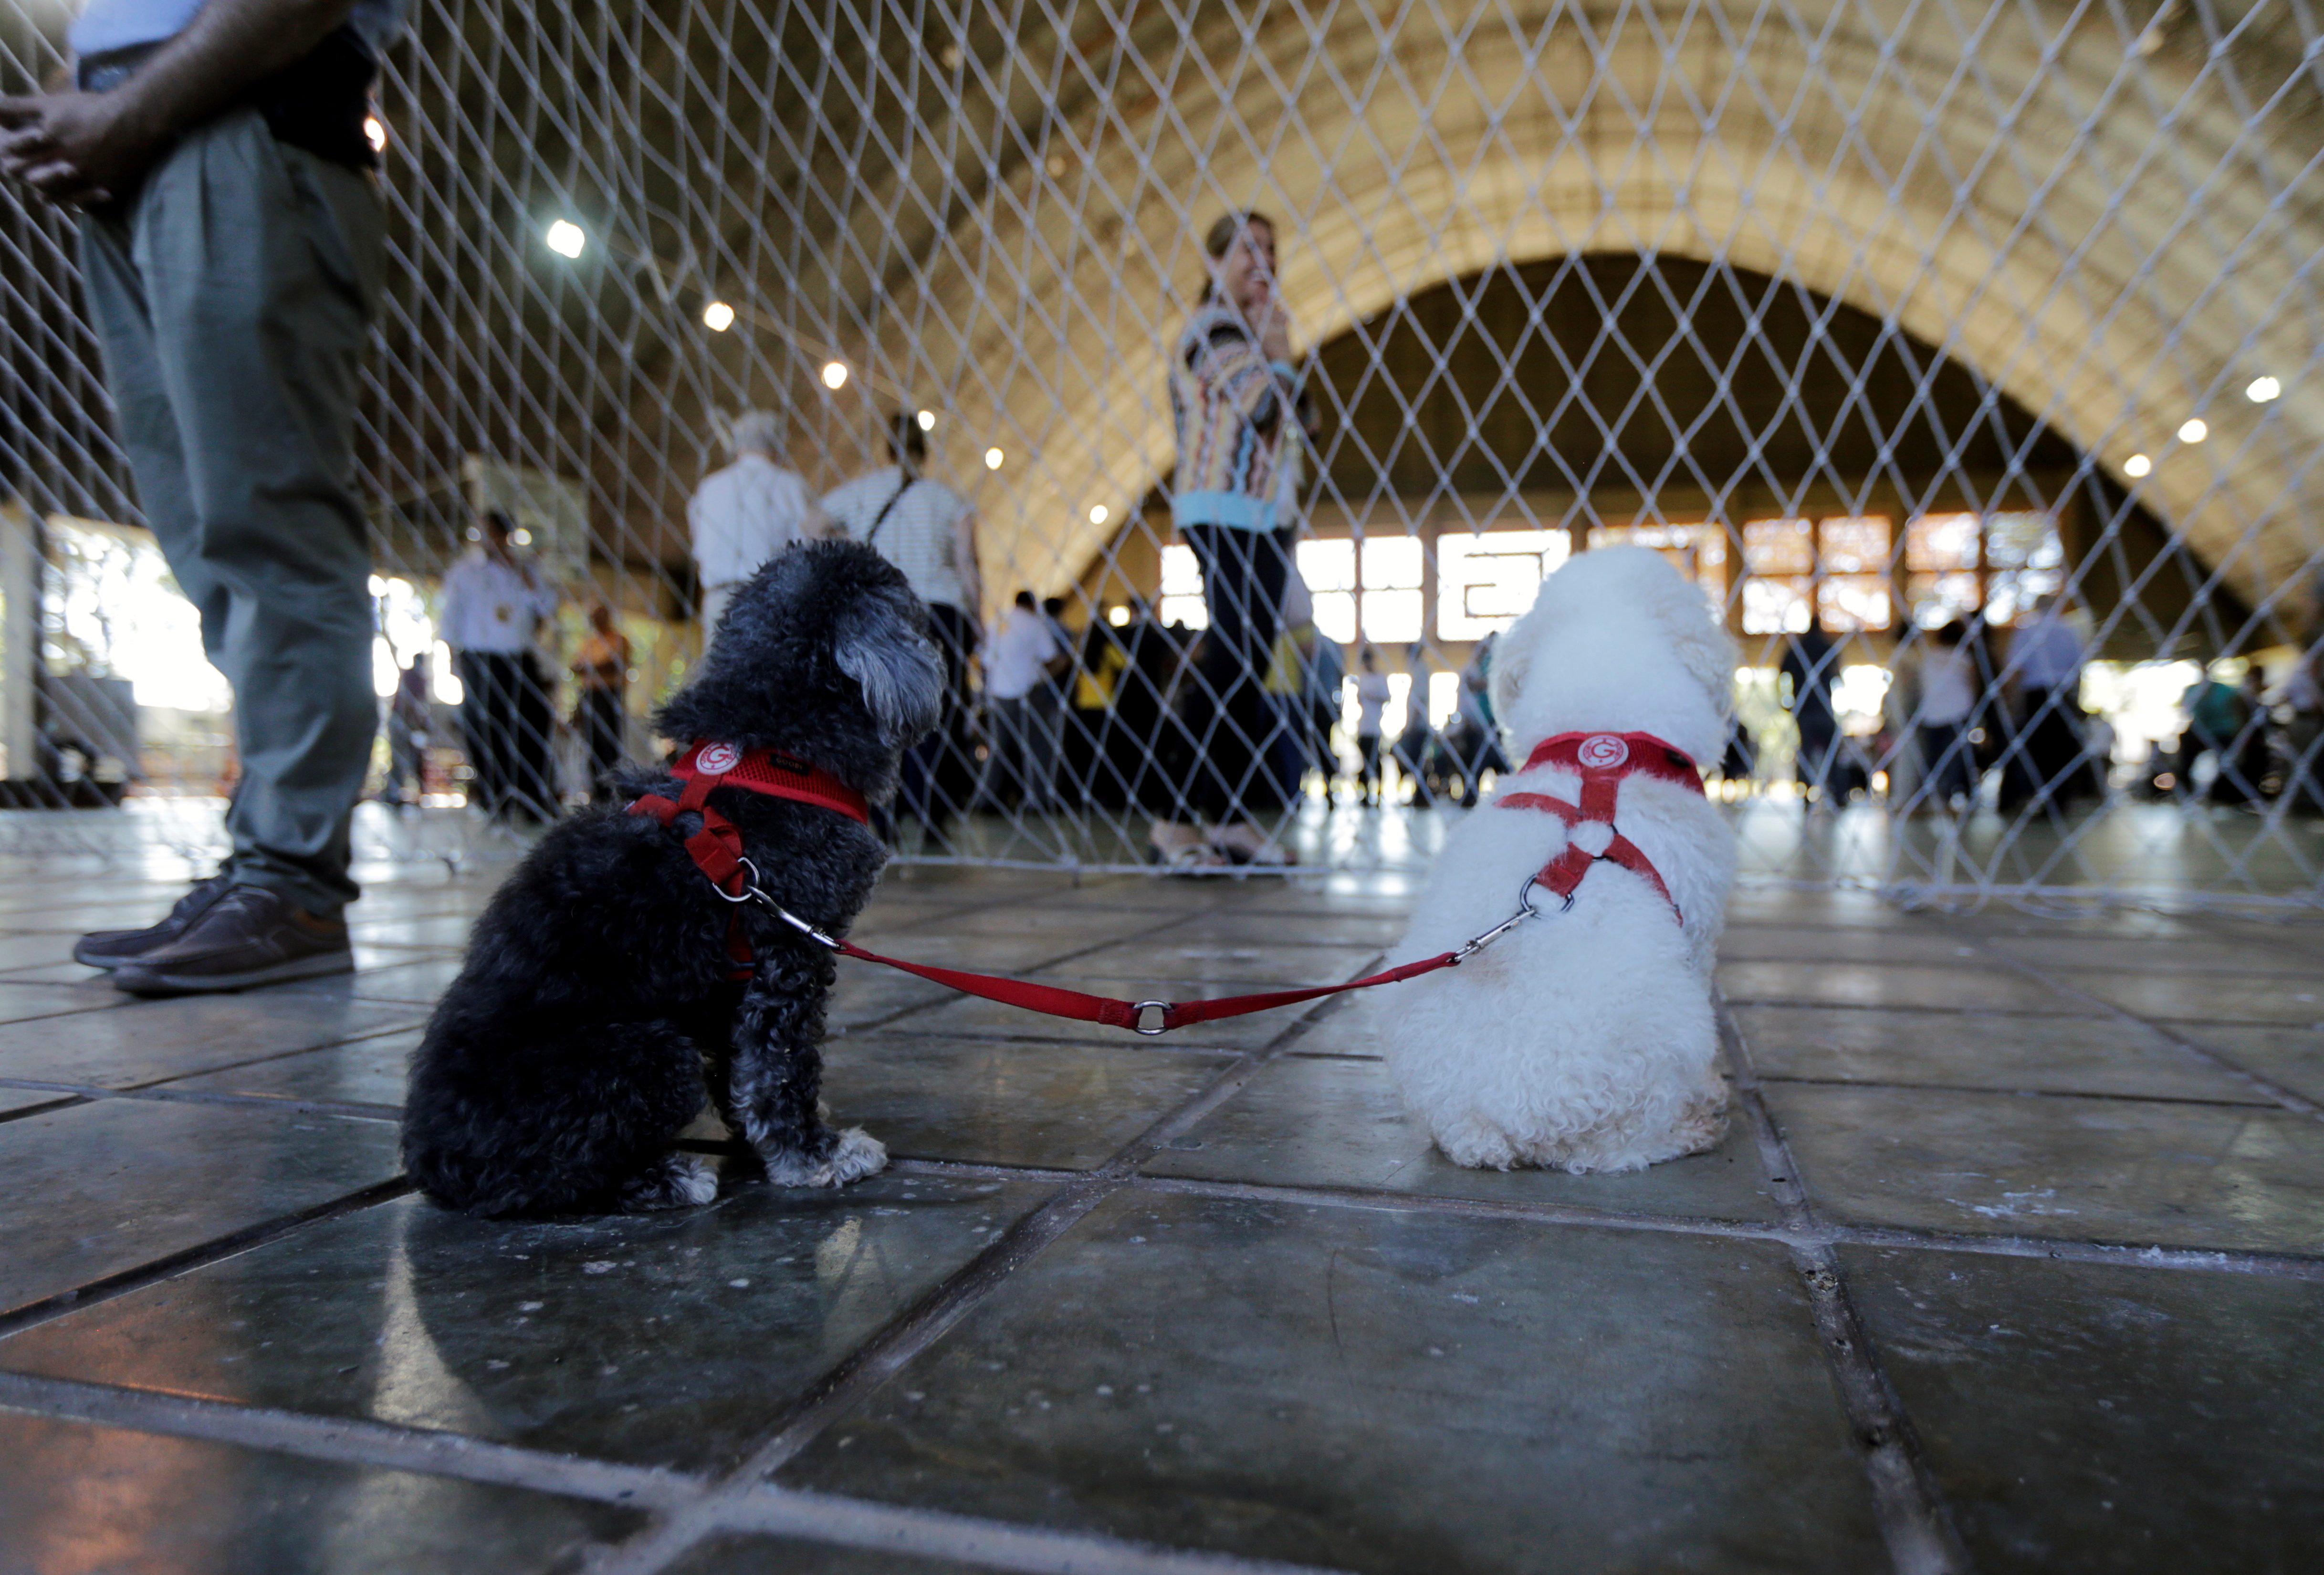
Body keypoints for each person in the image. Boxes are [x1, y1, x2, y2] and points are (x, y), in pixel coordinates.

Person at [4, 0, 405, 993]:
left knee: (270, 523)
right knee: (206, 532)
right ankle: (263, 865)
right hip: (140, 148)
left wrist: (126, 106)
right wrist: (81, 101)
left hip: (242, 124)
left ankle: (293, 882)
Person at [1152, 210, 1319, 867]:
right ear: (1216, 261)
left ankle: (1225, 818)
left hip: (1264, 516)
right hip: (1222, 510)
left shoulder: (1249, 336)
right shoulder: (1212, 329)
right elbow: (1271, 410)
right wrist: (1280, 355)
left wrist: (1278, 355)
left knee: (1248, 662)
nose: (1263, 260)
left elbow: (1307, 419)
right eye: (1248, 248)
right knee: (1229, 659)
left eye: (1270, 248)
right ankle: (1172, 819)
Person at [825, 411, 983, 828]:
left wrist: (849, 556)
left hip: (885, 609)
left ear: (888, 448)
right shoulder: (946, 497)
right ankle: (932, 814)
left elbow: (812, 522)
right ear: (924, 451)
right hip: (940, 613)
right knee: (938, 715)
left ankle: (883, 813)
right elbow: (967, 562)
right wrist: (978, 618)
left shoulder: (861, 492)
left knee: (881, 709)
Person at [441, 509, 560, 824]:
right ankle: (495, 799)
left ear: (505, 535)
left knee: (533, 724)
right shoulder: (464, 572)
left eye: (493, 533)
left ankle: (534, 799)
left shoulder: (525, 569)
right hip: (480, 658)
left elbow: (547, 607)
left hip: (520, 658)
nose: (487, 539)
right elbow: (450, 620)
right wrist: (453, 662)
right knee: (486, 728)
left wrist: (525, 575)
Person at [688, 408, 827, 633]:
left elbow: (699, 549)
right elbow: (812, 542)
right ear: (777, 443)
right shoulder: (789, 485)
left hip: (719, 601)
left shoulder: (709, 488)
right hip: (770, 600)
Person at [2001, 592, 2094, 812]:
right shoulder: (2068, 631)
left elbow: (2016, 667)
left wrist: (2011, 700)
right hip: (2062, 694)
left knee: (2039, 747)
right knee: (2061, 747)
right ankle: (2060, 799)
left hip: (2037, 694)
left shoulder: (2028, 630)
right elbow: (2079, 668)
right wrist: (2077, 698)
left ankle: (2043, 797)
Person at [979, 590, 1062, 809]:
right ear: (1033, 605)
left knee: (997, 749)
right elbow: (1051, 657)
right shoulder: (1035, 624)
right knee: (1037, 748)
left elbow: (986, 661)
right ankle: (1039, 799)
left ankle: (987, 798)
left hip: (998, 695)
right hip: (1027, 694)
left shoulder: (997, 622)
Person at [1907, 620, 1979, 812]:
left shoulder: (1928, 657)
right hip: (1957, 713)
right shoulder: (1963, 657)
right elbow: (1973, 686)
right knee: (1954, 759)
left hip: (1932, 714)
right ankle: (1948, 800)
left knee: (1931, 759)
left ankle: (1922, 800)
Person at [569, 601, 630, 803]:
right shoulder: (589, 643)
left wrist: (590, 668)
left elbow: (614, 665)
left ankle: (613, 789)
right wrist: (592, 668)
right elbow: (576, 667)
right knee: (592, 741)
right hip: (589, 695)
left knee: (608, 742)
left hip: (609, 695)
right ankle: (597, 791)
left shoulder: (618, 640)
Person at [1779, 613, 1842, 804]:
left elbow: (1782, 675)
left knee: (1805, 751)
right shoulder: (1827, 647)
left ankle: (1805, 793)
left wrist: (1785, 700)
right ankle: (1838, 793)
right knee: (1832, 753)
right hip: (1823, 709)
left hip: (1804, 708)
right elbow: (1837, 675)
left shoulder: (1797, 649)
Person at [381, 654, 429, 808]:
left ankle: (419, 794)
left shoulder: (422, 677)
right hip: (400, 722)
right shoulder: (412, 676)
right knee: (399, 759)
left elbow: (422, 706)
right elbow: (410, 703)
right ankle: (393, 794)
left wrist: (421, 727)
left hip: (412, 725)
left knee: (416, 759)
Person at [1353, 645, 1390, 807]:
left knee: (1376, 762)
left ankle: (1380, 792)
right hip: (1363, 728)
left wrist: (1371, 696)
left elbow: (1387, 698)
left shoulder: (1380, 678)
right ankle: (1365, 793)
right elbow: (1359, 701)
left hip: (1375, 729)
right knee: (1364, 762)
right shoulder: (1363, 678)